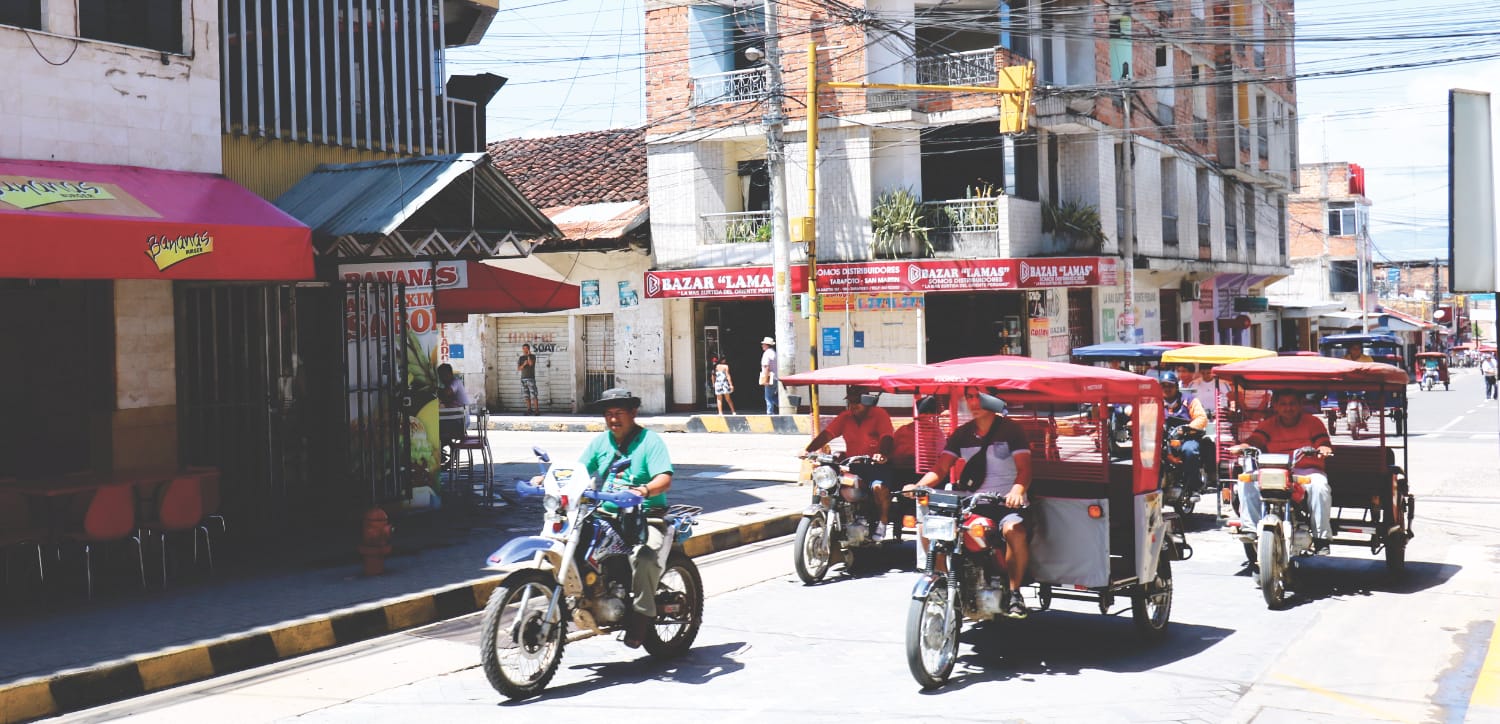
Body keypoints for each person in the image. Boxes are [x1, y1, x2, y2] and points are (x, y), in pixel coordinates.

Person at [906, 388, 1034, 619]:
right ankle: (945, 583)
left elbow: (1025, 469)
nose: (973, 402)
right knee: (928, 528)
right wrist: (918, 486)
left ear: (993, 400)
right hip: (973, 505)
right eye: (969, 397)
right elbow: (941, 468)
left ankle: (1015, 593)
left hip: (1006, 504)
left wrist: (1016, 491)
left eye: (978, 397)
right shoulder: (962, 434)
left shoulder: (1011, 430)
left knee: (1014, 530)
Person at [578, 388, 674, 648]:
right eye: (608, 414)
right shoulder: (601, 442)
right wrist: (550, 478)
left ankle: (642, 614)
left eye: (619, 413)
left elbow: (664, 478)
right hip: (606, 515)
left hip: (645, 516)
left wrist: (643, 491)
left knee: (644, 557)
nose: (613, 419)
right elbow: (579, 471)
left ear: (633, 413)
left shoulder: (650, 441)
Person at [1228, 389, 1335, 553]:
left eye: (1292, 404)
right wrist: (1242, 447)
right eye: (1283, 404)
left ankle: (1321, 539)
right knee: (1246, 480)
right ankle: (1250, 529)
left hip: (1306, 471)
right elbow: (1255, 441)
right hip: (1275, 471)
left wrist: (1323, 448)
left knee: (1320, 488)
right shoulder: (1268, 424)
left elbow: (1323, 442)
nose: (1288, 408)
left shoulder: (1313, 422)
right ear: (1276, 406)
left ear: (1300, 405)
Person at [804, 388, 897, 540]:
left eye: (857, 402)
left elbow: (887, 436)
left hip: (875, 465)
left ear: (867, 401)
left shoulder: (879, 414)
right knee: (830, 486)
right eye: (850, 402)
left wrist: (882, 454)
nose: (853, 405)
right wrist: (808, 450)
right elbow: (827, 434)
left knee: (879, 488)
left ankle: (883, 522)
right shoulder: (845, 417)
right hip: (852, 465)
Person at [1160, 372, 1210, 495]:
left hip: (1187, 438)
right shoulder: (1155, 401)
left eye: (1170, 385)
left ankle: (1193, 487)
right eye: (1163, 385)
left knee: (1190, 451)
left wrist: (1187, 428)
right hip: (1163, 438)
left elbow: (1202, 418)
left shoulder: (1190, 400)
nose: (1167, 389)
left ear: (1176, 387)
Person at [436, 363, 470, 447]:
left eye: (443, 375)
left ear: (450, 374)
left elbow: (447, 392)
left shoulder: (455, 382)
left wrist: (436, 389)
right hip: (457, 420)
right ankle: (449, 446)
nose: (441, 378)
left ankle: (446, 446)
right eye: (440, 376)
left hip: (460, 422)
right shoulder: (451, 384)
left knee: (438, 429)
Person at [517, 344, 540, 416]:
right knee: (526, 396)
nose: (525, 350)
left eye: (526, 348)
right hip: (523, 379)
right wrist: (524, 364)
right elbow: (519, 369)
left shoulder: (532, 356)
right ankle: (529, 409)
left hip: (530, 379)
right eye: (523, 348)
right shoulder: (521, 358)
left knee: (534, 395)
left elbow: (530, 364)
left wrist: (528, 356)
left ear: (529, 349)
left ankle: (536, 410)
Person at [759, 336, 778, 414]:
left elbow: (766, 367)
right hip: (775, 377)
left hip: (769, 377)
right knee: (773, 396)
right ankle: (783, 406)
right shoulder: (774, 353)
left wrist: (766, 379)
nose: (762, 345)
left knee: (768, 397)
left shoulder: (767, 354)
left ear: (767, 345)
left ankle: (770, 412)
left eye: (763, 344)